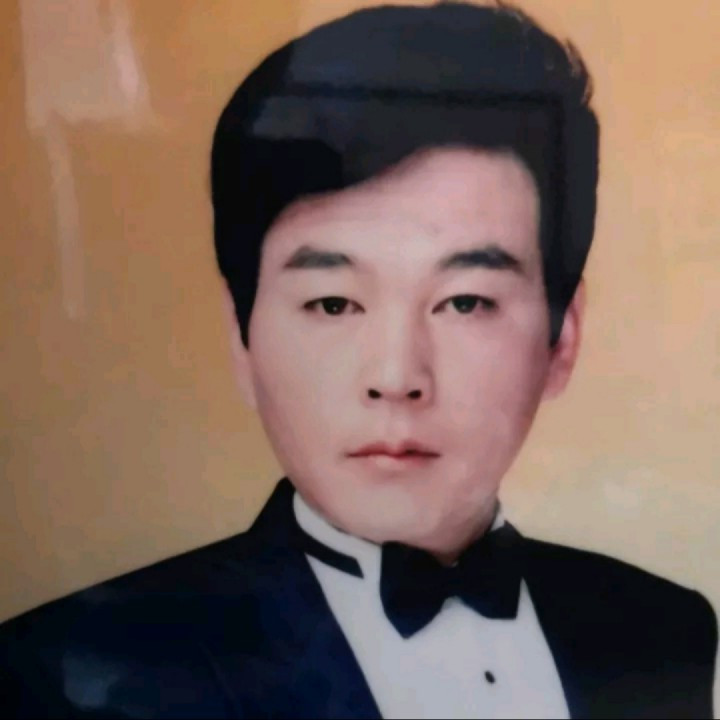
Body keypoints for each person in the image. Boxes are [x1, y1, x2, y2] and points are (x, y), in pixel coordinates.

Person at [1, 2, 717, 718]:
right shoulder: (63, 675)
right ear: (241, 335)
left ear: (563, 338)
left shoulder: (663, 629)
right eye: (334, 304)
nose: (396, 378)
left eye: (465, 302)